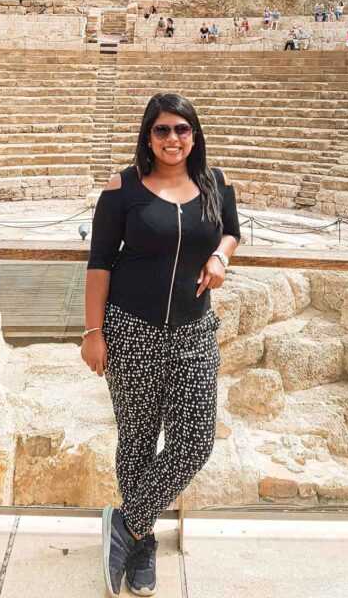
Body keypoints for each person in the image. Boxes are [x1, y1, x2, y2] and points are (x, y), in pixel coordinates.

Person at [83, 93, 241, 598]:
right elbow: (100, 262)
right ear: (147, 136)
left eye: (182, 130)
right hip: (131, 328)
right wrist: (93, 333)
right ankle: (144, 540)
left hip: (194, 330)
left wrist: (220, 256)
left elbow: (233, 232)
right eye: (162, 130)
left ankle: (126, 524)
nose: (173, 139)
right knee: (136, 437)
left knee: (195, 440)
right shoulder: (123, 187)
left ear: (194, 135)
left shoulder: (215, 184)